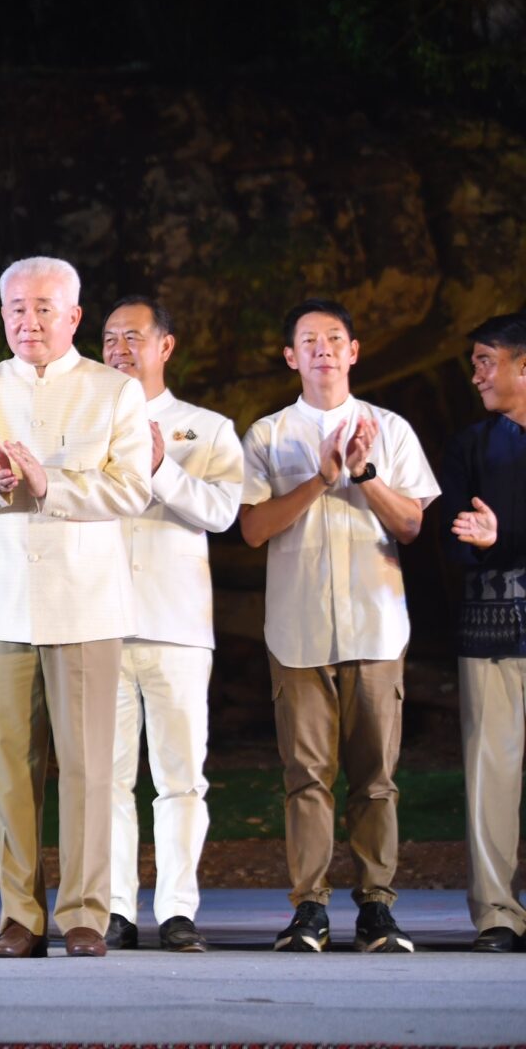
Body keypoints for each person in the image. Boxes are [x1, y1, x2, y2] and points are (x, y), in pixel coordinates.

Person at [0, 256, 151, 959]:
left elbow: (131, 490)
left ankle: (85, 913)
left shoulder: (114, 391)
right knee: (8, 767)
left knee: (88, 766)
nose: (29, 321)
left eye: (43, 308)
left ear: (74, 317)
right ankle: (19, 917)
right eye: (17, 309)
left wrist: (47, 483)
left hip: (84, 600)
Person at [240, 298, 438, 954]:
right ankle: (310, 907)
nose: (322, 348)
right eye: (309, 340)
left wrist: (363, 474)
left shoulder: (389, 429)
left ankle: (377, 907)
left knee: (376, 780)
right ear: (290, 356)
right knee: (306, 777)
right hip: (296, 629)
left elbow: (410, 522)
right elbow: (254, 528)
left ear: (353, 351)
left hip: (375, 626)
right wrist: (322, 478)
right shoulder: (268, 435)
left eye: (334, 338)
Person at [98, 296, 242, 953]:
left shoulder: (205, 428)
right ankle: (115, 907)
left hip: (177, 623)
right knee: (108, 778)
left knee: (181, 777)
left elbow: (222, 511)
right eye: (110, 339)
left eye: (133, 337)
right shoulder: (84, 425)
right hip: (100, 620)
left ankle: (178, 908)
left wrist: (160, 467)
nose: (120, 350)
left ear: (165, 346)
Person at [441, 311, 526, 953]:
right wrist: (483, 542)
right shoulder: (471, 445)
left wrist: (507, 537)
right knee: (490, 776)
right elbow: (454, 537)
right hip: (491, 631)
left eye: (486, 362)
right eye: (474, 363)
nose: (476, 376)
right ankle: (498, 913)